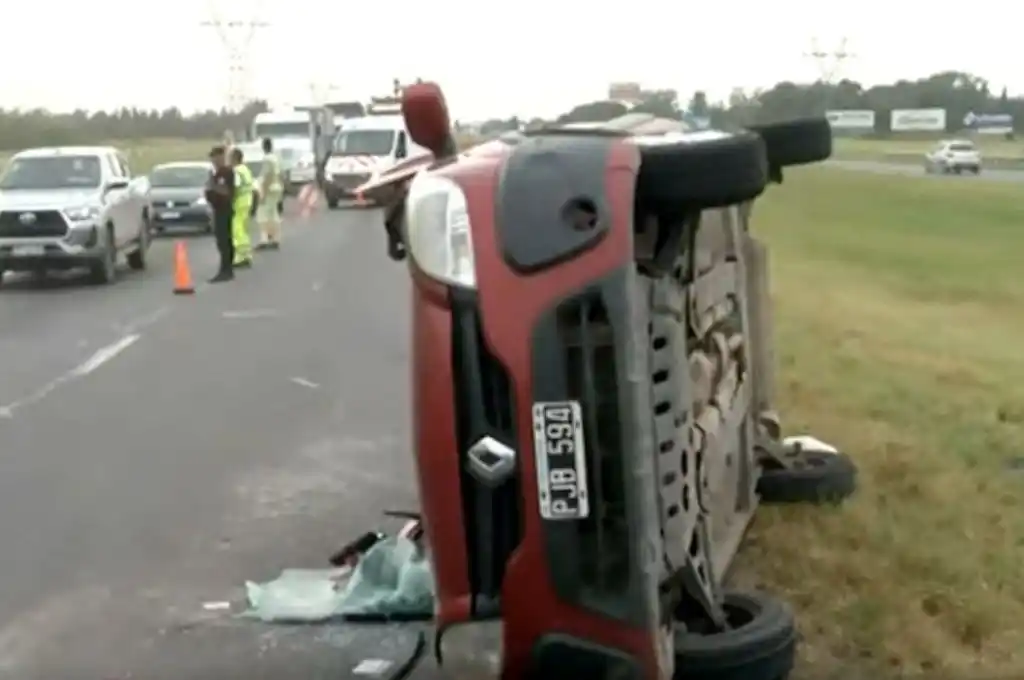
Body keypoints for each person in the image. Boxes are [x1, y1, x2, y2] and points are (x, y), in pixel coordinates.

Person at [205, 146, 235, 283]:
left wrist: (212, 188)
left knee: (224, 241)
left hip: (224, 209)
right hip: (219, 209)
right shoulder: (217, 173)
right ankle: (226, 269)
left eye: (215, 158)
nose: (213, 161)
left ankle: (226, 270)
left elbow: (224, 192)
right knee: (222, 240)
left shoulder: (225, 172)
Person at [255, 137, 284, 250]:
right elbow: (280, 174)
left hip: (270, 188)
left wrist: (263, 192)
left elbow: (268, 175)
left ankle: (264, 239)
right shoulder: (276, 158)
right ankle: (276, 238)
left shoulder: (267, 159)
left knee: (262, 214)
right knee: (273, 213)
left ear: (263, 147)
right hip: (277, 187)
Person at [229, 148, 255, 269]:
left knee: (237, 228)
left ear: (234, 158)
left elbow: (235, 186)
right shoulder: (245, 169)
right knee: (244, 228)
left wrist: (230, 199)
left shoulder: (237, 171)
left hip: (239, 201)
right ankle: (247, 254)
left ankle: (240, 256)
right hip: (248, 200)